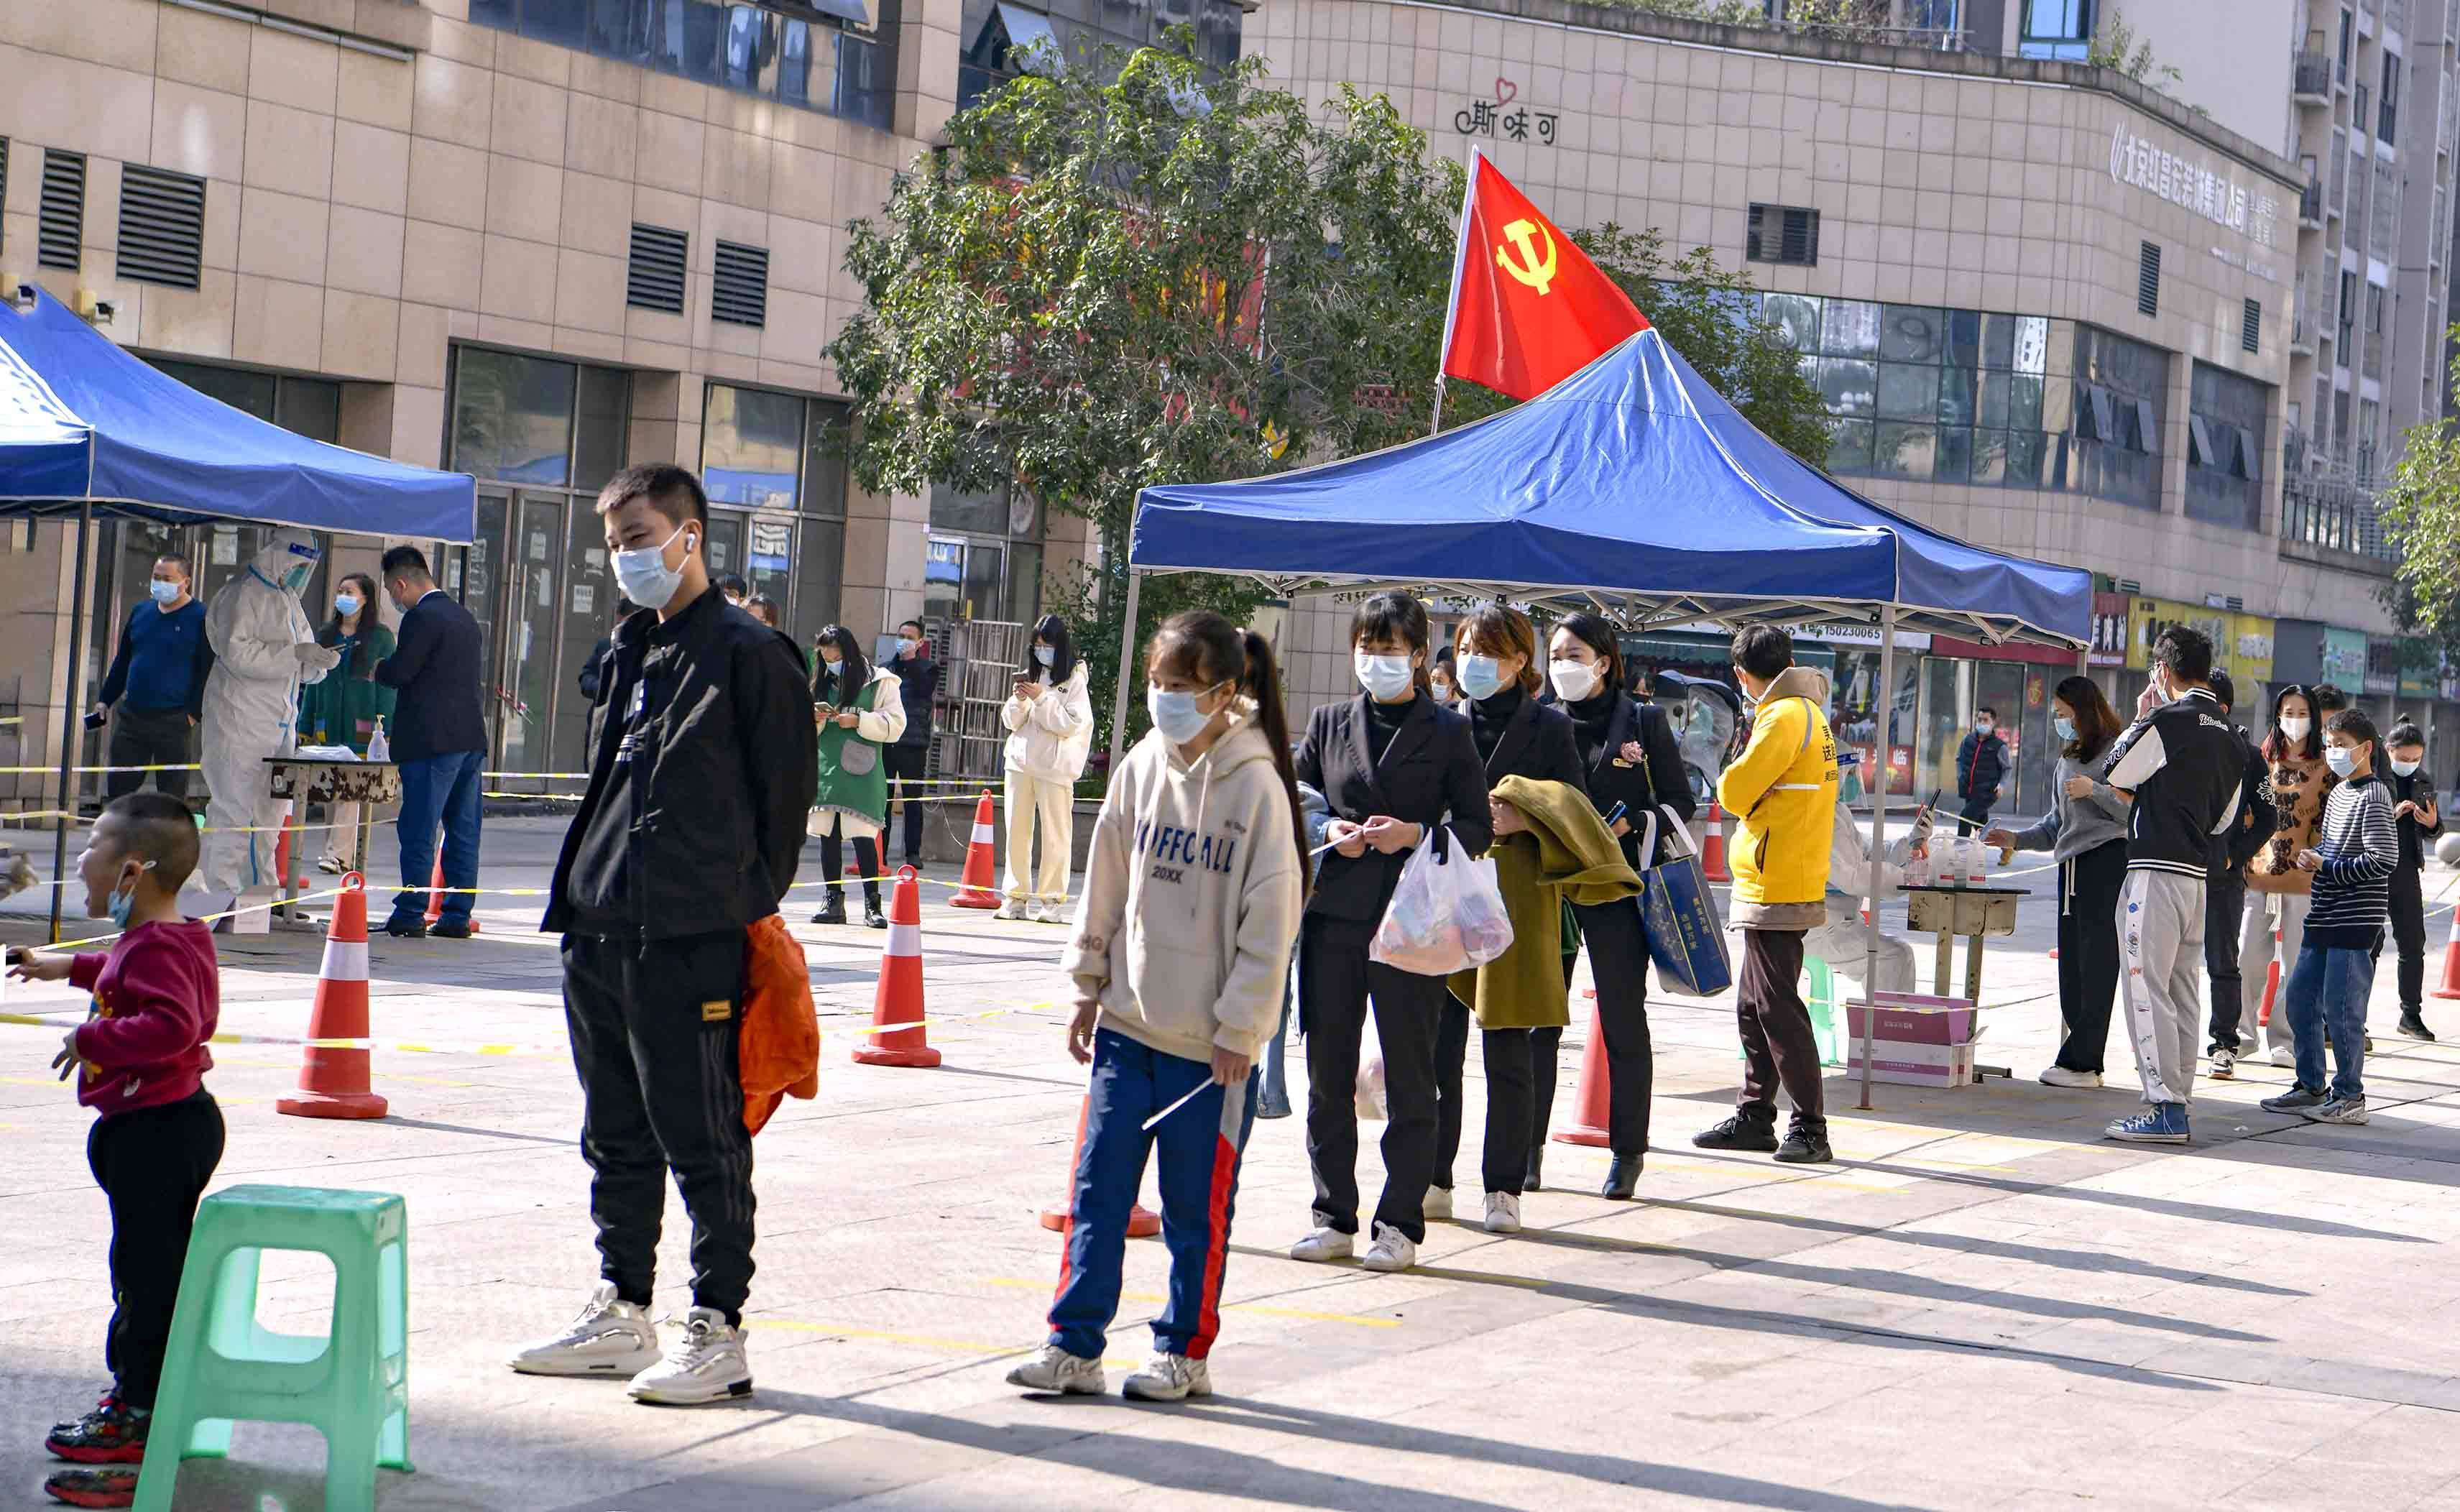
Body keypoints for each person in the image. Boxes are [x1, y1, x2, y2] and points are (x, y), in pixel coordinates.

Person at [516, 464, 817, 1406]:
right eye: (613, 545)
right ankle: (622, 1307)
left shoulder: (749, 654)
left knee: (703, 1135)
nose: (626, 557)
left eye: (640, 537)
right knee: (613, 1131)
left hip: (690, 933)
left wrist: (727, 899)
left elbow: (784, 808)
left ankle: (716, 1325)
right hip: (598, 922)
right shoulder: (628, 649)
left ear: (690, 536)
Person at [1008, 612, 1306, 1402]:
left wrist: (1242, 1028)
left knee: (1192, 1212)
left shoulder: (1258, 786)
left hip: (1208, 1053)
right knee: (1096, 1193)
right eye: (1159, 685)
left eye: (1183, 687)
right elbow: (1104, 877)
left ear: (1226, 693)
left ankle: (1184, 1351)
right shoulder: (1141, 765)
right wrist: (1086, 981)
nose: (1166, 700)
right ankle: (1073, 1343)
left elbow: (1270, 920)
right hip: (1127, 1026)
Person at [11, 794, 221, 1512]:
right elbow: (122, 968)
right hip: (158, 1125)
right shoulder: (170, 934)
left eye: (93, 845)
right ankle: (135, 1400)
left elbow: (171, 1021)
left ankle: (138, 1424)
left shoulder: (158, 945)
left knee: (146, 1278)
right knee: (140, 1268)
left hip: (157, 1132)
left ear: (133, 870)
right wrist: (64, 967)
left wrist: (90, 1038)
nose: (80, 857)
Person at [1290, 591, 1491, 1273]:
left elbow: (1477, 826)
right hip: (1336, 919)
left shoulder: (1449, 731)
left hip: (1412, 923)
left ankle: (1400, 1220)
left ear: (1416, 654)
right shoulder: (1327, 721)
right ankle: (1332, 1214)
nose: (1376, 661)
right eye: (1366, 648)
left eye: (1390, 649)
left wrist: (1417, 835)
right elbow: (1297, 798)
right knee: (1327, 1072)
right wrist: (1328, 830)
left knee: (1411, 1075)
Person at [1429, 605, 1591, 1234]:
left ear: (1520, 660)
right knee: (1439, 1046)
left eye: (1487, 650)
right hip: (1448, 890)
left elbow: (1575, 809)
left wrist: (1527, 819)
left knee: (1508, 1048)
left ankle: (1503, 1187)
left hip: (1519, 891)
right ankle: (1435, 1178)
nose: (1471, 660)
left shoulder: (1550, 728)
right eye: (1465, 646)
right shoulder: (1443, 722)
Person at [1544, 612, 1691, 1198]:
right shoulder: (1542, 720)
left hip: (1618, 885)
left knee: (1623, 1019)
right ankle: (1524, 1150)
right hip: (1550, 888)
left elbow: (1682, 800)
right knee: (1537, 1021)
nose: (1562, 665)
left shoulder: (1643, 721)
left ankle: (1627, 1152)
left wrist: (1636, 822)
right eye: (1555, 654)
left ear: (1604, 661)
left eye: (1573, 654)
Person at [1693, 625, 1839, 1164]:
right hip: (1781, 872)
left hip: (1778, 876)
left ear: (1740, 675)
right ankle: (1755, 1115)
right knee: (1754, 1004)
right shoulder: (1809, 713)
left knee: (1775, 1005)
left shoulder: (1780, 716)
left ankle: (1809, 1126)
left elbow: (1732, 790)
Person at [2099, 625, 2244, 1145]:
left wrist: (2140, 716)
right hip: (2196, 877)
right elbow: (2225, 819)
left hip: (2154, 872)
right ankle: (2177, 1098)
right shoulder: (2230, 735)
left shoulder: (2166, 719)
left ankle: (2163, 1105)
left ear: (2162, 671)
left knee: (2145, 985)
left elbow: (2115, 771)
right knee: (2182, 987)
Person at [1986, 676, 2132, 1087]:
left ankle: (2085, 1061)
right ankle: (2077, 1059)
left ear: (2085, 712)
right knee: (2072, 967)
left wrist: (2097, 791)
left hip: (2105, 861)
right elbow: (2056, 824)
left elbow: (2131, 813)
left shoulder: (2116, 751)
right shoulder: (2068, 757)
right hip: (2070, 868)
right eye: (2056, 715)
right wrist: (2016, 839)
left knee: (2098, 962)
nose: (2059, 722)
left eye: (2065, 715)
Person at [2260, 708, 2398, 1125]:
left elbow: (2383, 859)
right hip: (2325, 915)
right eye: (2330, 745)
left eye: (2342, 746)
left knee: (2342, 1011)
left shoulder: (2375, 796)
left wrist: (2328, 867)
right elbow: (2339, 855)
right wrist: (2316, 862)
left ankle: (2350, 1096)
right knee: (2301, 999)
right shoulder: (2339, 795)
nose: (2334, 753)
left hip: (2356, 920)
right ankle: (2310, 1085)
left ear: (2366, 749)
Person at [198, 530, 338, 901]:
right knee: (233, 811)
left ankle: (260, 898)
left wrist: (317, 663)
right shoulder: (242, 593)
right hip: (239, 718)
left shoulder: (287, 598)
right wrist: (294, 656)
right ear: (280, 554)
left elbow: (301, 656)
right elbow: (238, 654)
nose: (299, 572)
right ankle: (220, 897)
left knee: (270, 818)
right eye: (296, 563)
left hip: (279, 723)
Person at [372, 546, 488, 941]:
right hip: (469, 738)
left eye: (392, 589)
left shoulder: (421, 618)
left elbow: (404, 671)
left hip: (431, 741)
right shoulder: (463, 616)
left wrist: (379, 670)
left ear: (401, 583)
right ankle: (457, 915)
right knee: (463, 829)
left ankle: (410, 911)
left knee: (419, 826)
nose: (394, 598)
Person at [2239, 686, 2328, 1068]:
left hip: (2304, 881)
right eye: (2288, 712)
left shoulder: (2325, 766)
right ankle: (2241, 1034)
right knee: (2247, 956)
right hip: (2257, 874)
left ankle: (2285, 1038)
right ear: (2277, 716)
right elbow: (2247, 809)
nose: (2294, 720)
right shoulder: (2261, 759)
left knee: (2296, 963)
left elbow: (2327, 820)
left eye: (2301, 712)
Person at [2198, 673, 2275, 1079]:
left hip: (2223, 878)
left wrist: (2235, 856)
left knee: (2222, 960)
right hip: (2178, 868)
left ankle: (2224, 1043)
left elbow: (2268, 817)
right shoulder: (2181, 745)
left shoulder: (2248, 756)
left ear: (2222, 709)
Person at [296, 572, 399, 875]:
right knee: (332, 792)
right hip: (327, 725)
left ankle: (336, 852)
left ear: (365, 598)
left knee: (350, 791)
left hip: (365, 727)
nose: (343, 596)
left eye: (350, 591)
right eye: (340, 590)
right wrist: (305, 725)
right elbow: (313, 683)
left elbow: (387, 687)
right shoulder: (326, 635)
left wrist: (386, 729)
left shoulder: (380, 638)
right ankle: (341, 855)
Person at [91, 553, 211, 802]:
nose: (160, 583)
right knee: (119, 791)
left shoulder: (200, 617)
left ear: (185, 582)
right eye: (157, 577)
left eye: (168, 578)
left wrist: (192, 714)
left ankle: (169, 840)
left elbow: (207, 672)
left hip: (174, 720)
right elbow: (123, 661)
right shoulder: (141, 612)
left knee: (171, 794)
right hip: (133, 716)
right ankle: (119, 838)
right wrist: (105, 699)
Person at [808, 625, 906, 929]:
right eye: (824, 653)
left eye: (833, 652)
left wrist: (859, 720)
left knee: (864, 837)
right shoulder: (818, 682)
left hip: (862, 768)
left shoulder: (879, 681)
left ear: (847, 651)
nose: (828, 658)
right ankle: (832, 901)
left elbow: (897, 723)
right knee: (829, 835)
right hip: (826, 767)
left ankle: (872, 904)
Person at [999, 613, 1095, 922]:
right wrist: (1019, 701)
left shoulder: (1075, 681)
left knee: (1055, 833)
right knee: (1016, 831)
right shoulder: (1030, 675)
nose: (1042, 650)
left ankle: (1052, 901)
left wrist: (1042, 700)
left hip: (1055, 769)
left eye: (1048, 645)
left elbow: (1070, 726)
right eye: (1038, 645)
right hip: (1019, 764)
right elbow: (1011, 722)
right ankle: (1015, 897)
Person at [1815, 750, 1931, 999]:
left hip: (1840, 920)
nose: (1852, 781)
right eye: (1848, 774)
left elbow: (1869, 852)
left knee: (1900, 953)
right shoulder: (1821, 816)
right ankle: (1879, 1030)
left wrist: (1910, 840)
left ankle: (1896, 1027)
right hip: (1821, 924)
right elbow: (1855, 875)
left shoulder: (1837, 812)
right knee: (1890, 957)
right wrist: (1906, 879)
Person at [2384, 720, 2441, 1041]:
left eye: (2415, 758)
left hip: (2407, 868)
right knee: (2369, 944)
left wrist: (2432, 823)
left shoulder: (2423, 780)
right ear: (2388, 751)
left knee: (2412, 945)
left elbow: (2436, 829)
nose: (2409, 764)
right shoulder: (2377, 778)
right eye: (2403, 757)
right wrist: (2389, 815)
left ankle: (2411, 1015)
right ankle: (2354, 1018)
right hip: (2374, 869)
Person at [884, 619, 941, 872]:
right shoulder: (886, 670)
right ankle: (880, 850)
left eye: (909, 636)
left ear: (920, 643)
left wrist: (910, 661)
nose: (903, 639)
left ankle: (912, 852)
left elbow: (923, 690)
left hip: (913, 744)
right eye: (900, 635)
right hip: (887, 742)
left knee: (912, 801)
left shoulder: (928, 669)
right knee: (881, 800)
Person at [1954, 706, 2007, 836]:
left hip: (1988, 793)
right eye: (1979, 719)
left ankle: (1960, 848)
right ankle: (2003, 848)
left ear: (1993, 722)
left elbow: (2007, 768)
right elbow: (1959, 759)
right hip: (1969, 790)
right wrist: (1960, 776)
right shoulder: (1967, 740)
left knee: (1965, 818)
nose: (1982, 723)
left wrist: (2002, 785)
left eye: (1986, 720)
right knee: (1980, 825)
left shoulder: (1999, 746)